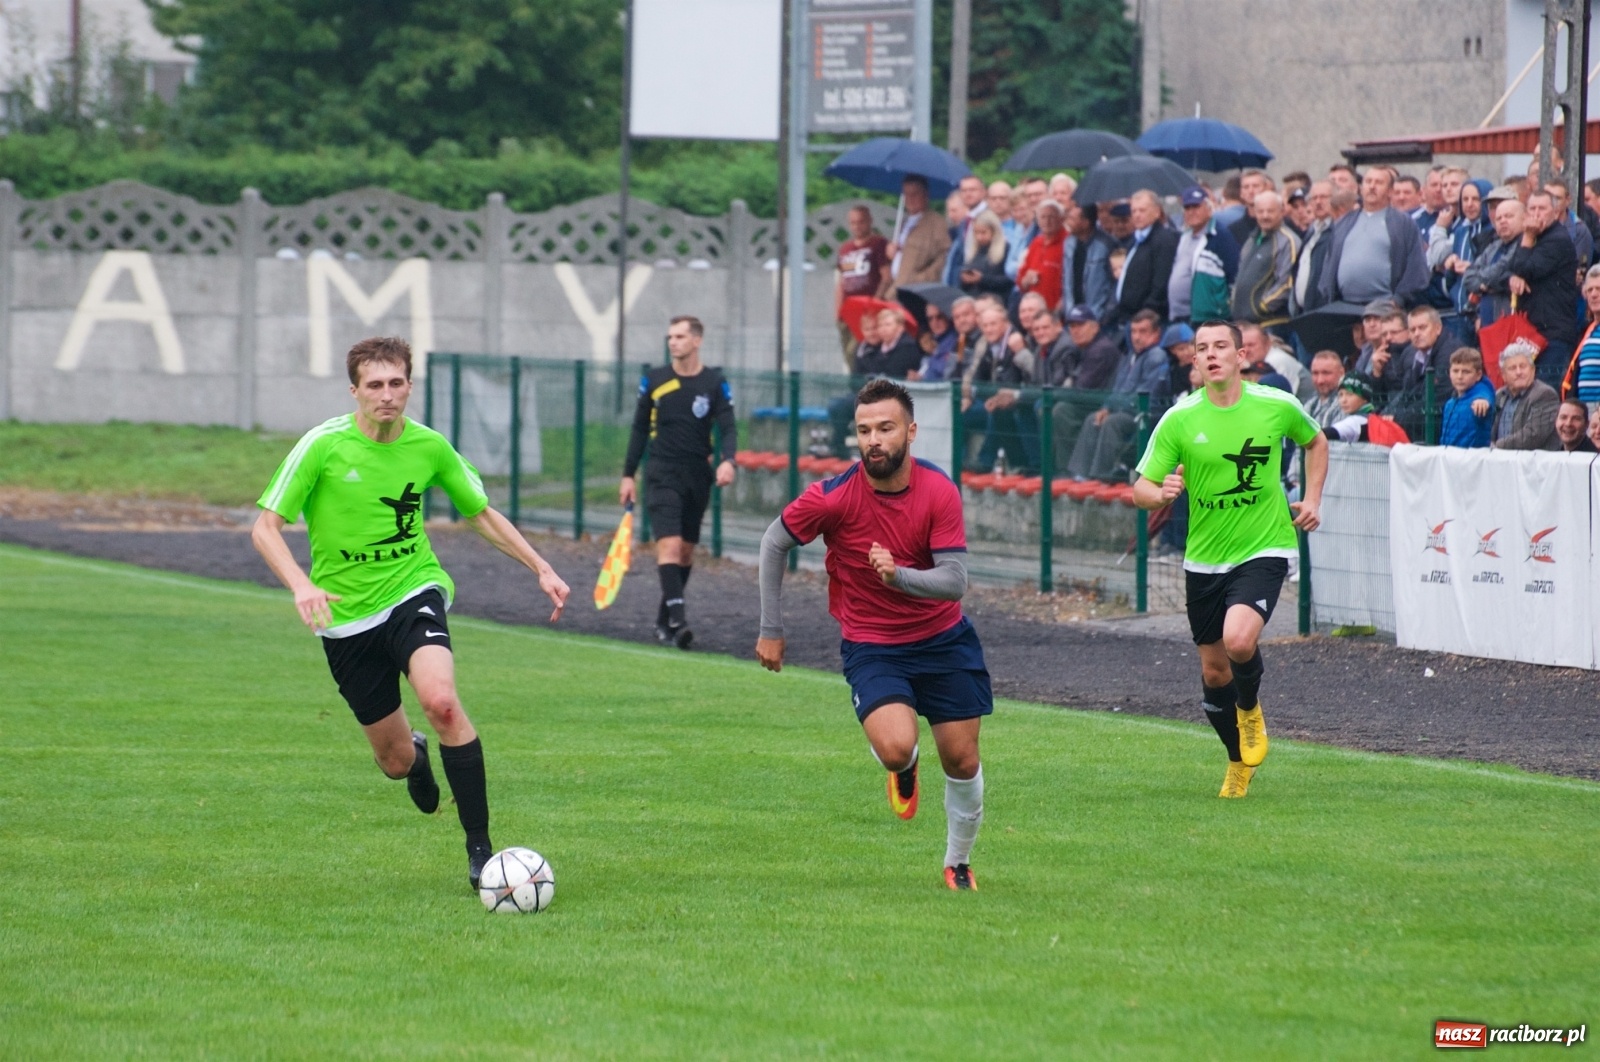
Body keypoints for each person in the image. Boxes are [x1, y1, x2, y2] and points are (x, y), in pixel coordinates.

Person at [251, 336, 572, 890]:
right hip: (345, 616)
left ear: (409, 386)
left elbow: (481, 513)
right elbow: (265, 528)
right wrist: (302, 584)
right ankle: (415, 758)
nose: (387, 395)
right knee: (394, 762)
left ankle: (482, 855)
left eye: (396, 383)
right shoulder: (322, 446)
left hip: (412, 589)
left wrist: (539, 566)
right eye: (374, 385)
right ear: (354, 391)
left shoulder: (428, 447)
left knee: (442, 702)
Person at [757, 379, 991, 891]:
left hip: (944, 641)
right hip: (874, 645)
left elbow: (955, 582)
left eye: (885, 428)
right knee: (894, 747)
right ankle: (903, 768)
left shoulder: (938, 489)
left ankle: (958, 863)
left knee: (962, 758)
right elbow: (774, 541)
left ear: (910, 431)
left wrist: (898, 574)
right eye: (864, 431)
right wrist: (771, 628)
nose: (873, 440)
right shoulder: (834, 496)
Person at [1131, 320, 1327, 799]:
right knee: (1214, 671)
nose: (1212, 354)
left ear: (1242, 356)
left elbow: (1316, 441)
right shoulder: (1180, 418)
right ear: (1194, 362)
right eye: (1203, 348)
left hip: (1265, 546)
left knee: (1239, 641)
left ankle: (1250, 709)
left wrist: (1314, 498)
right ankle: (1238, 761)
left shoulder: (1275, 405)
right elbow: (1139, 487)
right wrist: (1161, 493)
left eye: (1222, 346)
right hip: (1204, 559)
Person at [621, 316, 738, 649]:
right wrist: (629, 474)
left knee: (685, 552)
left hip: (697, 474)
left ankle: (664, 618)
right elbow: (639, 428)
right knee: (669, 545)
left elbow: (728, 426)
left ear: (696, 340)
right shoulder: (655, 380)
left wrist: (728, 460)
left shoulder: (714, 382)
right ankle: (679, 620)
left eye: (680, 336)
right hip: (661, 472)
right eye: (670, 336)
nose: (673, 342)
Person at [1067, 310, 1170, 481]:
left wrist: (1114, 409)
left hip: (1144, 415)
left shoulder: (1156, 356)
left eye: (1143, 332)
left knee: (1112, 422)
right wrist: (1106, 407)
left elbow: (1146, 395)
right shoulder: (1129, 356)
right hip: (1122, 410)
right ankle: (1080, 474)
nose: (1136, 337)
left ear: (1156, 333)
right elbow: (1117, 388)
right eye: (1134, 331)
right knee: (1094, 418)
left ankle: (1101, 475)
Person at [1317, 165, 1429, 308]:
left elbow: (1416, 268)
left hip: (1385, 307)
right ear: (1360, 188)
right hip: (1345, 306)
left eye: (1378, 182)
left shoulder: (1403, 223)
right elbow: (1328, 265)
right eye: (1368, 181)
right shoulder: (1343, 223)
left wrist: (1398, 300)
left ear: (1390, 191)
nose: (1372, 186)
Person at [1508, 190, 1580, 389]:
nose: (1536, 214)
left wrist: (1528, 237)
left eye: (1542, 208)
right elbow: (1512, 266)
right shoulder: (1531, 239)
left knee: (1545, 392)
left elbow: (1524, 267)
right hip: (1532, 333)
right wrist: (1514, 277)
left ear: (1555, 213)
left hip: (1553, 334)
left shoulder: (1557, 239)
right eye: (1532, 208)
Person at [1108, 189, 1180, 329]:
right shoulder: (1135, 239)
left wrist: (1148, 311)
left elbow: (1161, 281)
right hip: (1127, 316)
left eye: (1142, 210)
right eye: (1134, 211)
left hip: (1148, 319)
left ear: (1157, 211)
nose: (1137, 215)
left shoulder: (1163, 239)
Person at [1169, 185, 1239, 326]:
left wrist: (1225, 307)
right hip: (1181, 315)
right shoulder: (1184, 237)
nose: (1191, 212)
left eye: (1196, 207)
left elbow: (1234, 273)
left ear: (1208, 208)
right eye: (1187, 208)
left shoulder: (1220, 235)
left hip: (1209, 317)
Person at [1231, 190, 1300, 330]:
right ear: (1255, 212)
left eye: (1270, 211)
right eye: (1261, 211)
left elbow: (1286, 284)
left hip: (1271, 324)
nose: (1265, 216)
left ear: (1282, 211)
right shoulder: (1251, 240)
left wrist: (1261, 306)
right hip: (1245, 324)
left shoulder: (1288, 241)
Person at [834, 206, 890, 368]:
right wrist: (838, 310)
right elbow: (842, 282)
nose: (857, 226)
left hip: (868, 309)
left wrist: (875, 303)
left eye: (861, 222)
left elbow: (886, 277)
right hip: (848, 309)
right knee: (848, 353)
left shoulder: (878, 243)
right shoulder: (845, 249)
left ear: (869, 222)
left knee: (862, 351)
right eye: (853, 223)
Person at [882, 175, 951, 296]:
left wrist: (922, 279)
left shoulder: (936, 222)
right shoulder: (903, 223)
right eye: (906, 194)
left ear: (926, 195)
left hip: (918, 291)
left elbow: (945, 255)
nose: (910, 198)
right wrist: (891, 253)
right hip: (896, 290)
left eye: (915, 194)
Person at [1490, 341, 1560, 451]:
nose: (1518, 372)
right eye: (1512, 368)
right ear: (1503, 375)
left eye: (1523, 366)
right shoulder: (1499, 395)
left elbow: (1533, 435)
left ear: (1532, 370)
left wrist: (1496, 446)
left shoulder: (1545, 394)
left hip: (1532, 464)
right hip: (1499, 462)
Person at [1061, 202, 1116, 324]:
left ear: (1085, 223)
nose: (1067, 222)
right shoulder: (1068, 243)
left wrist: (1106, 314)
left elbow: (1114, 283)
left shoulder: (1106, 245)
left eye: (1072, 219)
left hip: (1096, 315)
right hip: (1072, 314)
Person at [1439, 347, 1495, 448]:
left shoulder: (1480, 396)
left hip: (1472, 460)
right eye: (1455, 371)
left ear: (1478, 375)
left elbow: (1485, 395)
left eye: (1466, 372)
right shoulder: (1450, 403)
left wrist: (1482, 401)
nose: (1460, 376)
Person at [1017, 199, 1067, 311]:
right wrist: (1026, 280)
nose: (1047, 221)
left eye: (1051, 217)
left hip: (1057, 309)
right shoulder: (1036, 243)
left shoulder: (1068, 243)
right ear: (1037, 220)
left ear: (1061, 219)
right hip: (1035, 309)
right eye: (1043, 217)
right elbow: (1021, 279)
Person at [1561, 264, 1600, 405]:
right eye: (1590, 290)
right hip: (1585, 412)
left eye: (1599, 289)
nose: (1594, 294)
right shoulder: (1587, 332)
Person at [957, 211, 1013, 301]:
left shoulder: (1005, 249)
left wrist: (982, 279)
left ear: (994, 231)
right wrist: (965, 280)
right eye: (976, 233)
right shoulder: (973, 252)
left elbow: (1009, 280)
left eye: (983, 233)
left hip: (995, 300)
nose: (979, 237)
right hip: (974, 300)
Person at [1322, 372, 1379, 442]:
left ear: (1365, 399)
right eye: (1340, 395)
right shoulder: (1372, 417)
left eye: (1350, 394)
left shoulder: (1358, 421)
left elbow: (1325, 434)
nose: (1343, 400)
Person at [1303, 349, 1346, 428]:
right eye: (1315, 373)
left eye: (1326, 373)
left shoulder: (1346, 404)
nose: (1320, 380)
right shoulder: (1310, 404)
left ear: (1341, 373)